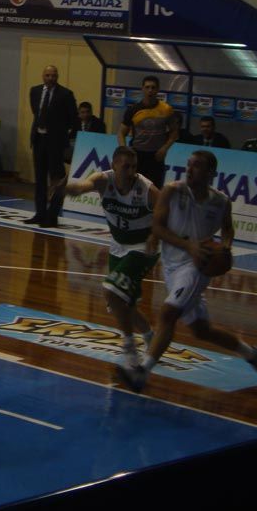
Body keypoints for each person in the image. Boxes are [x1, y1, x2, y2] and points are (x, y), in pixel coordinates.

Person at [115, 150, 257, 392]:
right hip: (171, 265)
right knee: (201, 330)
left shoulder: (221, 201)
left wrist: (226, 247)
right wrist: (186, 244)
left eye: (196, 166)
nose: (189, 169)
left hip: (197, 267)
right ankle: (255, 355)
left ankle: (142, 372)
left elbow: (228, 228)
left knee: (168, 314)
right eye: (188, 165)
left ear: (211, 173)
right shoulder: (172, 191)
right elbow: (157, 226)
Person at [62, 146, 157, 369]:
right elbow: (82, 187)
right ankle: (150, 336)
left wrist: (157, 233)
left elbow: (167, 208)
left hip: (143, 247)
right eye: (126, 167)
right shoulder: (104, 180)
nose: (131, 172)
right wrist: (68, 188)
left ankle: (129, 345)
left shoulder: (145, 188)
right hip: (118, 246)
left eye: (134, 167)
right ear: (114, 165)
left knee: (111, 291)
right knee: (123, 305)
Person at [26, 65, 77, 228]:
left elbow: (73, 119)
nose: (50, 78)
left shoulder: (66, 94)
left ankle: (52, 216)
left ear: (57, 76)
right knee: (40, 179)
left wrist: (61, 136)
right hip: (39, 140)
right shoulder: (35, 91)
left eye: (53, 75)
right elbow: (36, 112)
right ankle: (40, 213)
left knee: (56, 180)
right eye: (48, 75)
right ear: (43, 76)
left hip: (55, 143)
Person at [118, 75, 178, 188]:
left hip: (156, 156)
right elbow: (121, 133)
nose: (150, 90)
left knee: (155, 189)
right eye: (147, 87)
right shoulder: (133, 110)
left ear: (158, 89)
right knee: (133, 187)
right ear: (142, 89)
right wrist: (124, 151)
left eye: (153, 87)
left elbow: (174, 132)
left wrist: (164, 149)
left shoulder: (166, 109)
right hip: (137, 155)